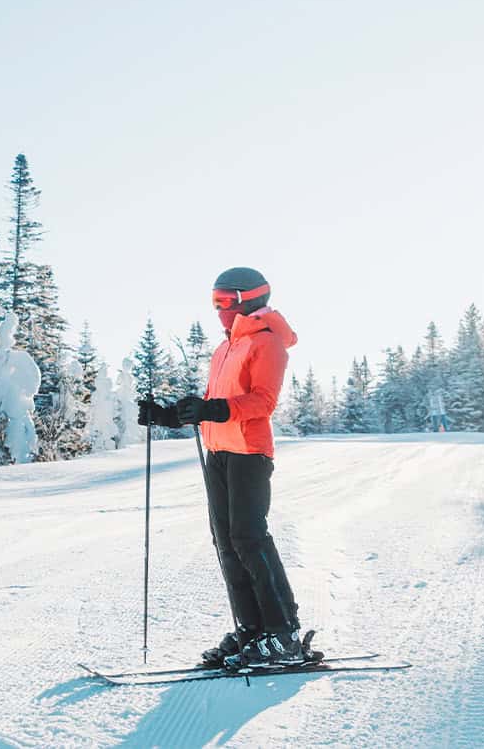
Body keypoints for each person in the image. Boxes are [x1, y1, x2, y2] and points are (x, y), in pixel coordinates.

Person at [137, 266, 305, 669]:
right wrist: (169, 416)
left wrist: (215, 408)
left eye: (225, 301)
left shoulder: (267, 344)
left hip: (249, 452)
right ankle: (252, 629)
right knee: (227, 543)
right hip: (219, 452)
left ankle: (284, 634)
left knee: (250, 539)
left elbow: (262, 402)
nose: (218, 310)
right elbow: (214, 404)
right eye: (215, 302)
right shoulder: (225, 348)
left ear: (250, 299)